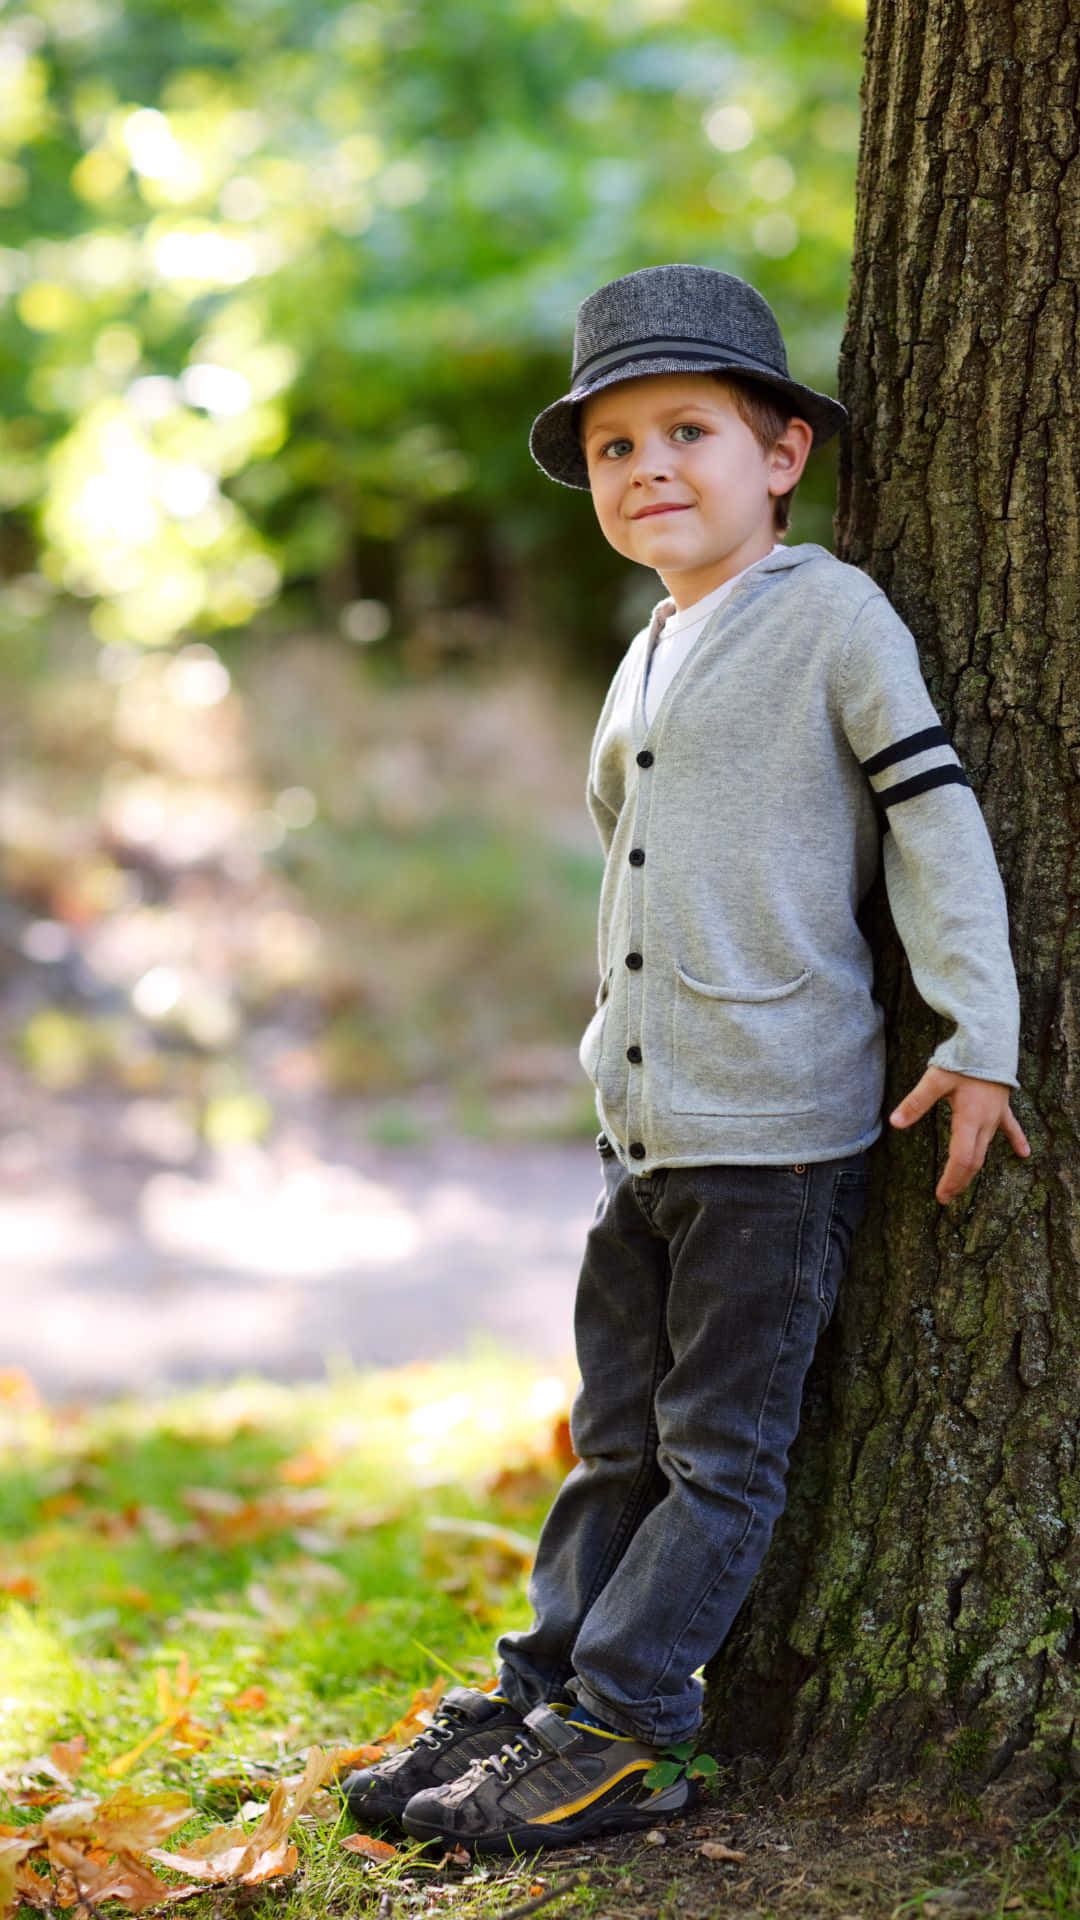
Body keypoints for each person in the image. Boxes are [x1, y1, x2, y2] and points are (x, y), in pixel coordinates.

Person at [343, 263, 1030, 1854]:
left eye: (688, 431)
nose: (648, 467)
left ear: (781, 453)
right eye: (612, 447)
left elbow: (933, 820)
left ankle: (627, 1728)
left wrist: (979, 1028)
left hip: (775, 1133)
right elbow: (629, 850)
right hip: (644, 1128)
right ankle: (542, 1689)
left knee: (721, 1454)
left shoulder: (832, 617)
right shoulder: (650, 648)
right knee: (616, 1440)